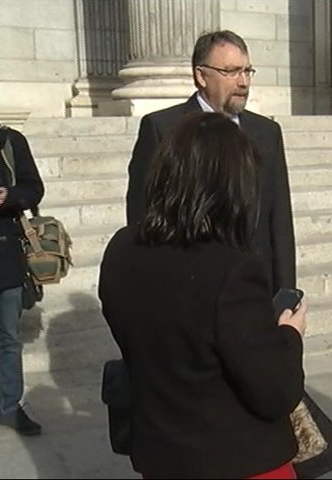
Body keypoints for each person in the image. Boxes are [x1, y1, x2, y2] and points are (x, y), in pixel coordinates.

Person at [99, 112, 308, 479]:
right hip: (236, 459)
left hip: (160, 455)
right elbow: (275, 390)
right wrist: (289, 334)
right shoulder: (232, 270)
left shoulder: (121, 249)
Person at [125, 29, 295, 295]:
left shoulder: (267, 133)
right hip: (189, 291)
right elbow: (142, 216)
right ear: (201, 75)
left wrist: (286, 292)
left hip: (252, 288)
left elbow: (279, 220)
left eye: (247, 71)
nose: (243, 82)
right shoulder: (162, 129)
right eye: (231, 71)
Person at [0, 74, 44, 436]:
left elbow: (34, 188)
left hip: (5, 251)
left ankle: (10, 407)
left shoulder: (8, 141)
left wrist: (6, 197)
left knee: (8, 338)